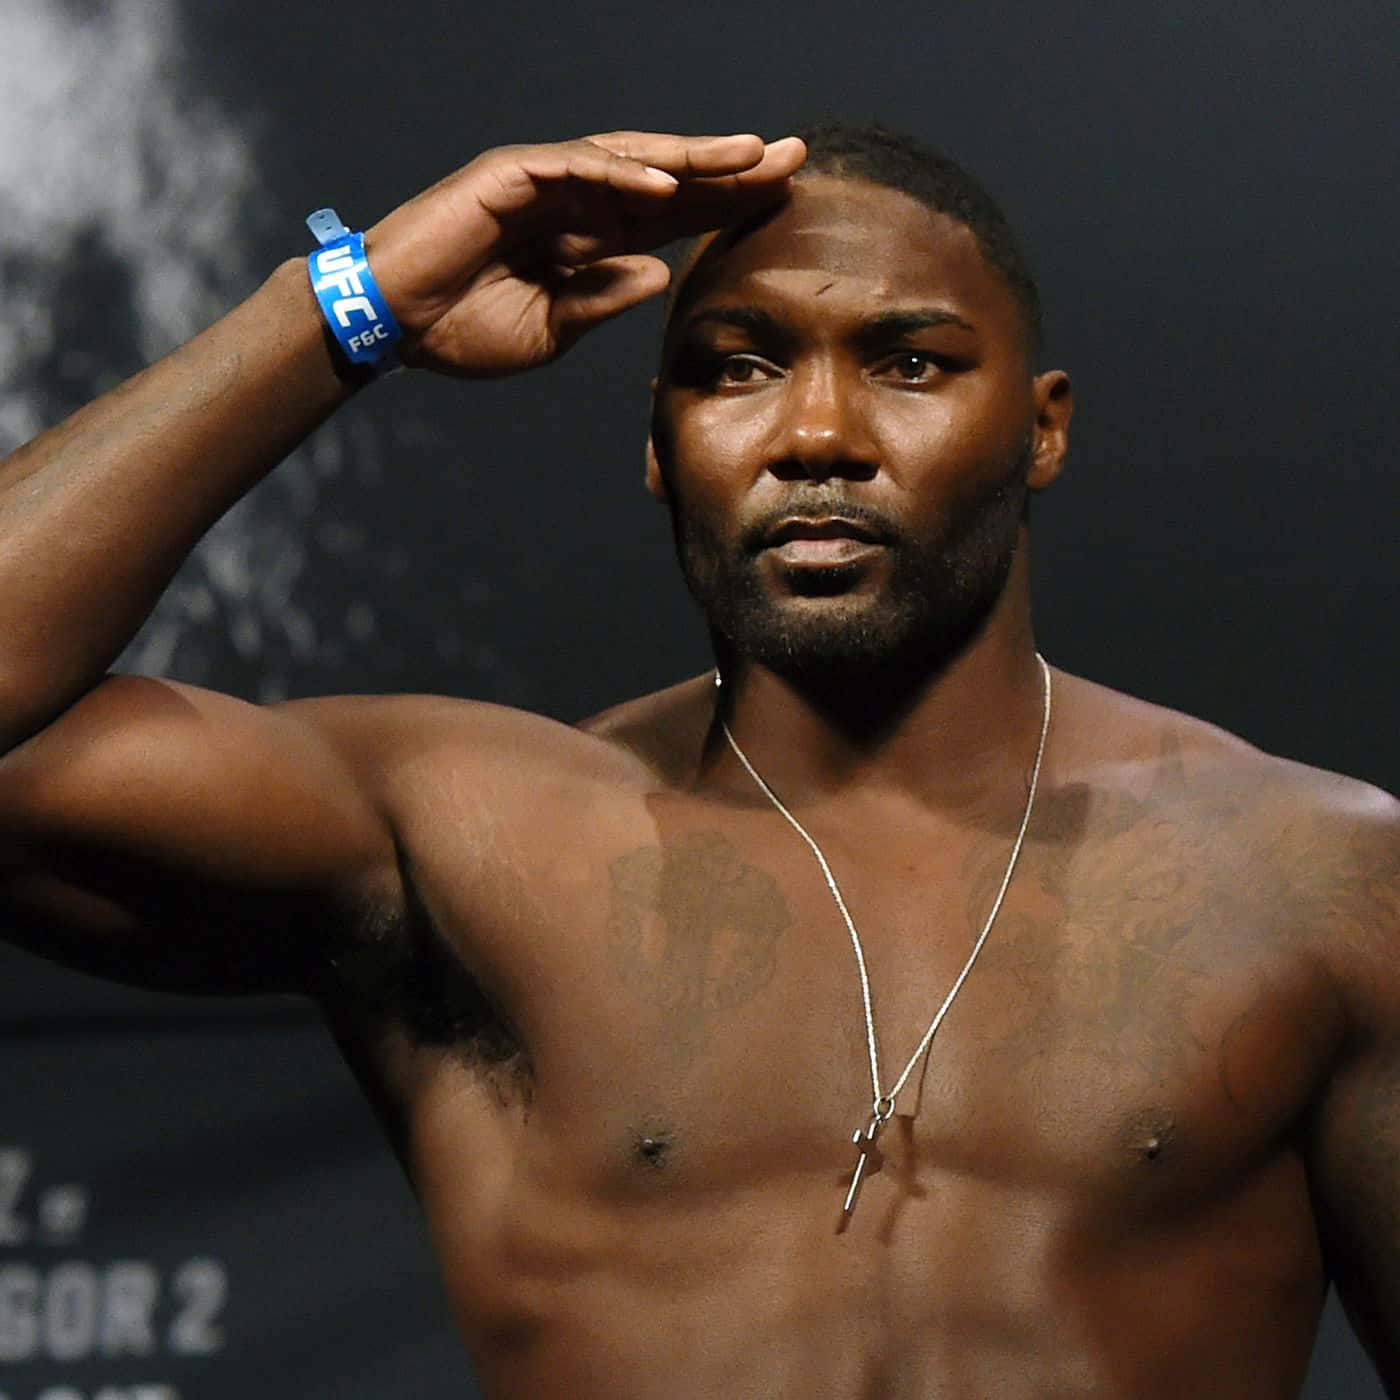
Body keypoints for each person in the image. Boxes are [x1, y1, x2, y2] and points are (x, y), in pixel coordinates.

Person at [0, 122, 1395, 1399]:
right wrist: (351, 302)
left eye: (909, 362)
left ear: (1041, 428)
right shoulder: (469, 841)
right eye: (737, 366)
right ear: (662, 450)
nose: (817, 437)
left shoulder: (1312, 881)